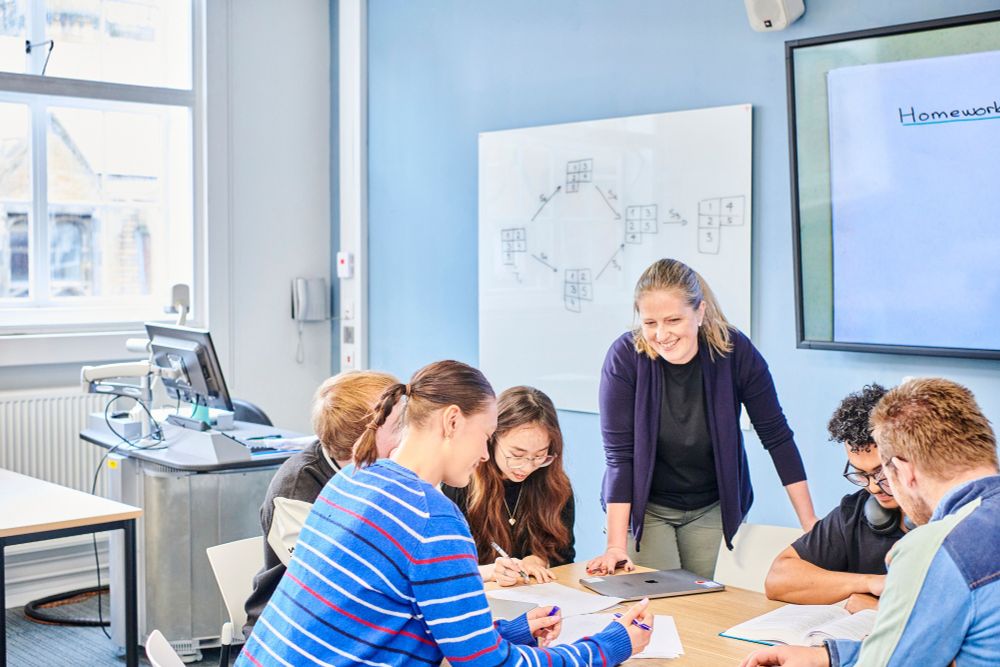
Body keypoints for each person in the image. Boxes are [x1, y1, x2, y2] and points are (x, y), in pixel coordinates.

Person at [237, 360, 653, 667]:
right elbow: (487, 665)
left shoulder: (351, 482)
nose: (485, 453)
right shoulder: (432, 519)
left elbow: (402, 627)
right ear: (453, 422)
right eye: (486, 436)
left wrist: (510, 632)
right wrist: (610, 645)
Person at [741, 377, 1000, 667]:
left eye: (883, 473)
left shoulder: (935, 549)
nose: (875, 488)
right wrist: (826, 656)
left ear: (902, 471)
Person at [587, 258, 817, 580]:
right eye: (650, 323)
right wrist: (615, 545)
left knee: (707, 602)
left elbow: (776, 436)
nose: (661, 334)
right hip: (646, 506)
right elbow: (619, 457)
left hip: (712, 503)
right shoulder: (625, 357)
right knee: (658, 603)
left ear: (700, 312)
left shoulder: (735, 352)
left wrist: (810, 524)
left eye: (673, 320)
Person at [242, 370, 400, 633]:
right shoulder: (297, 488)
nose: (412, 432)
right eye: (398, 425)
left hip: (364, 622)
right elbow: (329, 585)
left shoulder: (386, 470)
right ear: (365, 441)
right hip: (294, 631)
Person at [765, 383, 909, 610]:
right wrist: (869, 583)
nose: (873, 488)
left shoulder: (953, 520)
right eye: (861, 475)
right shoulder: (855, 512)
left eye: (881, 472)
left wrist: (878, 608)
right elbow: (777, 581)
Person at [444, 385, 575, 586]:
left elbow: (565, 554)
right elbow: (445, 566)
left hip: (534, 597)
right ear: (492, 438)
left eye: (540, 456)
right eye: (517, 455)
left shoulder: (555, 485)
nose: (527, 466)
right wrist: (489, 572)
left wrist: (539, 559)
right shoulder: (461, 481)